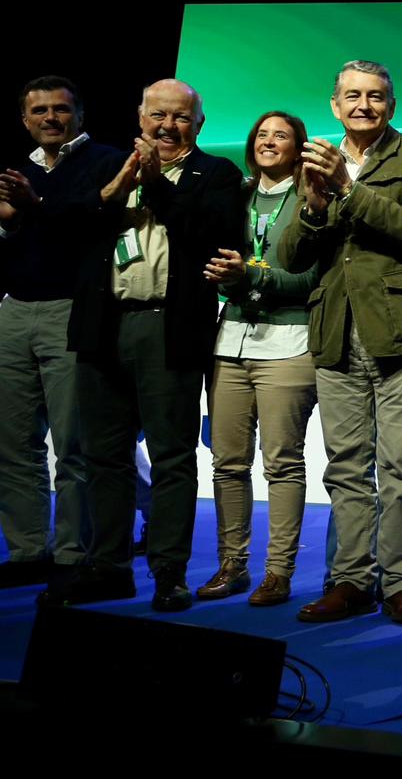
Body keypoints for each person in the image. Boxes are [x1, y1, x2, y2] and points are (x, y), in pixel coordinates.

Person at [47, 79, 246, 611]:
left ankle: (168, 572)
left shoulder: (216, 174)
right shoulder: (104, 167)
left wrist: (157, 185)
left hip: (166, 327)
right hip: (101, 324)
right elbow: (61, 228)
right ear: (140, 118)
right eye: (158, 115)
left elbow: (211, 234)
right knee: (103, 455)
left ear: (198, 124)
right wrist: (116, 188)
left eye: (180, 117)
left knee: (171, 456)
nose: (167, 126)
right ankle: (108, 566)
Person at [280, 60, 402, 625]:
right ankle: (351, 580)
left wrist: (348, 189)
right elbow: (291, 257)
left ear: (391, 106)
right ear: (335, 105)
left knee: (400, 468)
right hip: (335, 332)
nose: (363, 105)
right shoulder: (316, 161)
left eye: (375, 96)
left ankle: (400, 582)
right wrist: (313, 209)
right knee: (346, 468)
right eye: (352, 96)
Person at [0, 77, 125, 590]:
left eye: (60, 109)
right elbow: (14, 234)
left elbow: (93, 225)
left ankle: (74, 553)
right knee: (13, 443)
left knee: (73, 443)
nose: (50, 118)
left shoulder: (105, 161)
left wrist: (33, 206)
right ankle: (28, 549)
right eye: (39, 111)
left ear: (79, 114)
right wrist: (9, 221)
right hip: (14, 309)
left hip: (71, 310)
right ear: (25, 119)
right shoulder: (20, 169)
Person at [197, 111, 321, 606]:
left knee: (282, 464)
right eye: (262, 135)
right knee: (227, 463)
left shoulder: (313, 198)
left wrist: (252, 277)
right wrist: (226, 277)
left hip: (289, 342)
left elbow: (313, 280)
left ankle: (278, 572)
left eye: (281, 135)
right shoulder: (238, 195)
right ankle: (232, 564)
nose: (269, 142)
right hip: (230, 340)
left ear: (298, 147)